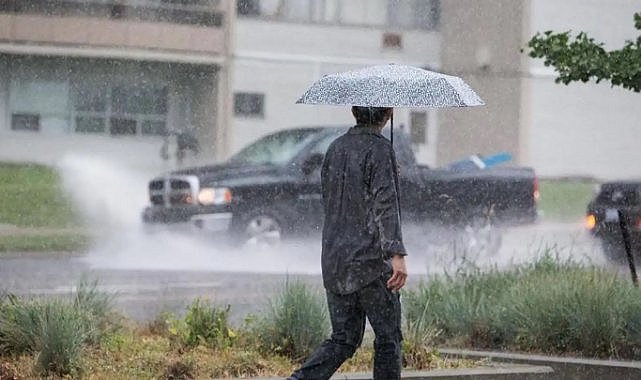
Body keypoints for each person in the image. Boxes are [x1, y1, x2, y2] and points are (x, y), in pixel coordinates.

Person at [287, 106, 408, 380]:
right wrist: (396, 253)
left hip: (335, 258)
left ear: (354, 111)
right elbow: (384, 204)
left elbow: (335, 199)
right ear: (388, 113)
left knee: (344, 338)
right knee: (388, 339)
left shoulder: (335, 148)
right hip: (371, 263)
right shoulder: (380, 150)